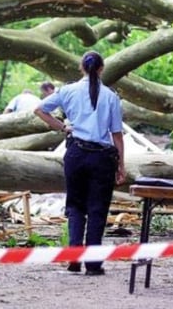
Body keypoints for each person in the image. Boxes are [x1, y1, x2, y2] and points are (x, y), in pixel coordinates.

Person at [34, 51, 125, 276]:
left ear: (81, 68)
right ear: (101, 69)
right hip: (102, 157)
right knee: (97, 209)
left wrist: (62, 127)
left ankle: (74, 259)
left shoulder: (67, 91)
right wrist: (121, 164)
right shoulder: (111, 97)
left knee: (75, 206)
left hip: (75, 153)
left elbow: (39, 110)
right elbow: (117, 134)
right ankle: (93, 264)